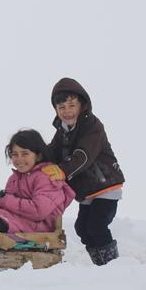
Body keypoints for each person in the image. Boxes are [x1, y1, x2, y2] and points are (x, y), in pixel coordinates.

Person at [46, 78, 125, 265]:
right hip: (87, 190)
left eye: (72, 105)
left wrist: (63, 171)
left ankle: (112, 265)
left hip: (105, 185)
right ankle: (100, 263)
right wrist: (34, 158)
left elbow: (83, 155)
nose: (67, 111)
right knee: (82, 228)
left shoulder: (92, 126)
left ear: (82, 105)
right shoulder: (63, 131)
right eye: (62, 107)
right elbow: (51, 153)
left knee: (96, 225)